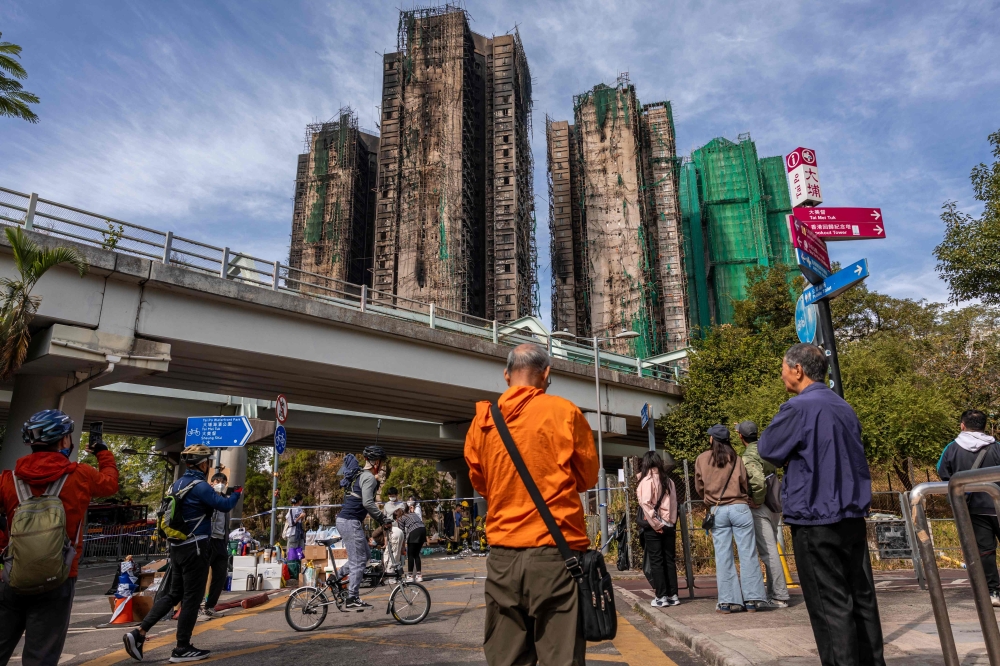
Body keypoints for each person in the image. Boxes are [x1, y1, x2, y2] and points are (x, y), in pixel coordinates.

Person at [465, 343, 598, 666]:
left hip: (503, 557)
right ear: (547, 374)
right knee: (561, 657)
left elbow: (482, 485)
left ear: (507, 375)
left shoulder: (482, 423)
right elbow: (586, 478)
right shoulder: (565, 413)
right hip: (557, 555)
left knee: (506, 657)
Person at [758, 343, 884, 666]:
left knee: (830, 607)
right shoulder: (844, 407)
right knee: (861, 598)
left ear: (797, 370)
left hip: (816, 519)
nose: (782, 374)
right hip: (852, 516)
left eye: (783, 368)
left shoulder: (797, 408)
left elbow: (768, 448)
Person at [0, 409, 119, 666]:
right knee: (41, 655)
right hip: (59, 577)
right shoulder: (81, 476)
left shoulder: (7, 480)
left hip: (12, 576)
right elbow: (110, 484)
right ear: (64, 441)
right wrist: (103, 453)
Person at [123, 445, 242, 663]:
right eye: (207, 462)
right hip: (195, 548)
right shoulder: (200, 486)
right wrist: (236, 494)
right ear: (203, 464)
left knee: (172, 594)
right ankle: (182, 648)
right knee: (192, 599)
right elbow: (223, 505)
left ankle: (139, 632)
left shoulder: (176, 484)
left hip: (177, 547)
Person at [695, 424, 767, 613]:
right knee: (748, 554)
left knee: (723, 556)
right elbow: (745, 482)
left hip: (717, 510)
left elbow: (699, 486)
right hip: (740, 508)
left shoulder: (702, 459)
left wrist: (710, 498)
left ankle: (728, 602)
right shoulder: (737, 458)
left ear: (712, 439)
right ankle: (753, 599)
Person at [937, 409, 999, 605]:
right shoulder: (996, 446)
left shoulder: (952, 448)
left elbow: (943, 472)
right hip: (997, 503)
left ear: (962, 425)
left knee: (985, 551)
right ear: (984, 426)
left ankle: (994, 592)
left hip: (973, 507)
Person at [738, 420, 790, 609]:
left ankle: (780, 596)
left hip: (760, 506)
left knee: (768, 552)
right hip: (775, 502)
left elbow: (757, 481)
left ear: (740, 436)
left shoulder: (749, 455)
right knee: (772, 548)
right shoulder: (767, 447)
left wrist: (757, 500)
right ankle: (772, 592)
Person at [335, 445, 391, 610]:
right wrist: (382, 518)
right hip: (350, 521)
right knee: (359, 561)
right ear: (376, 462)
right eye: (381, 462)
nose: (382, 466)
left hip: (347, 521)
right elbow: (367, 503)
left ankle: (334, 578)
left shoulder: (360, 474)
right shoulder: (368, 478)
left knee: (364, 556)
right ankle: (352, 597)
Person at [636, 450, 679, 607]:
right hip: (669, 524)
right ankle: (673, 594)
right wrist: (671, 522)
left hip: (655, 526)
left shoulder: (647, 481)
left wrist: (656, 524)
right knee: (669, 560)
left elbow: (646, 504)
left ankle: (661, 597)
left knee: (656, 561)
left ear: (646, 463)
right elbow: (674, 504)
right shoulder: (669, 481)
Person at [201, 471, 232, 618]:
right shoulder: (207, 498)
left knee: (220, 574)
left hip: (220, 541)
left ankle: (210, 606)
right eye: (217, 481)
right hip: (208, 540)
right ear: (211, 483)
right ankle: (197, 606)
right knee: (201, 574)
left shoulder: (226, 500)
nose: (221, 484)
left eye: (223, 482)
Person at [398, 499, 426, 582]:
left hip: (414, 531)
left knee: (410, 555)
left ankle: (410, 575)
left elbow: (402, 533)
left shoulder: (400, 518)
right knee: (416, 554)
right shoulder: (411, 514)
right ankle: (419, 575)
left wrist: (403, 545)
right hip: (423, 530)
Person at [284, 495, 306, 581]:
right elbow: (291, 523)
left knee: (299, 553)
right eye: (301, 501)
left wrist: (302, 517)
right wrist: (300, 517)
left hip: (299, 534)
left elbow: (301, 521)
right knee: (292, 554)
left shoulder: (299, 509)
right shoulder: (291, 510)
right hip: (293, 534)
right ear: (299, 501)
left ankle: (298, 574)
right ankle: (293, 574)